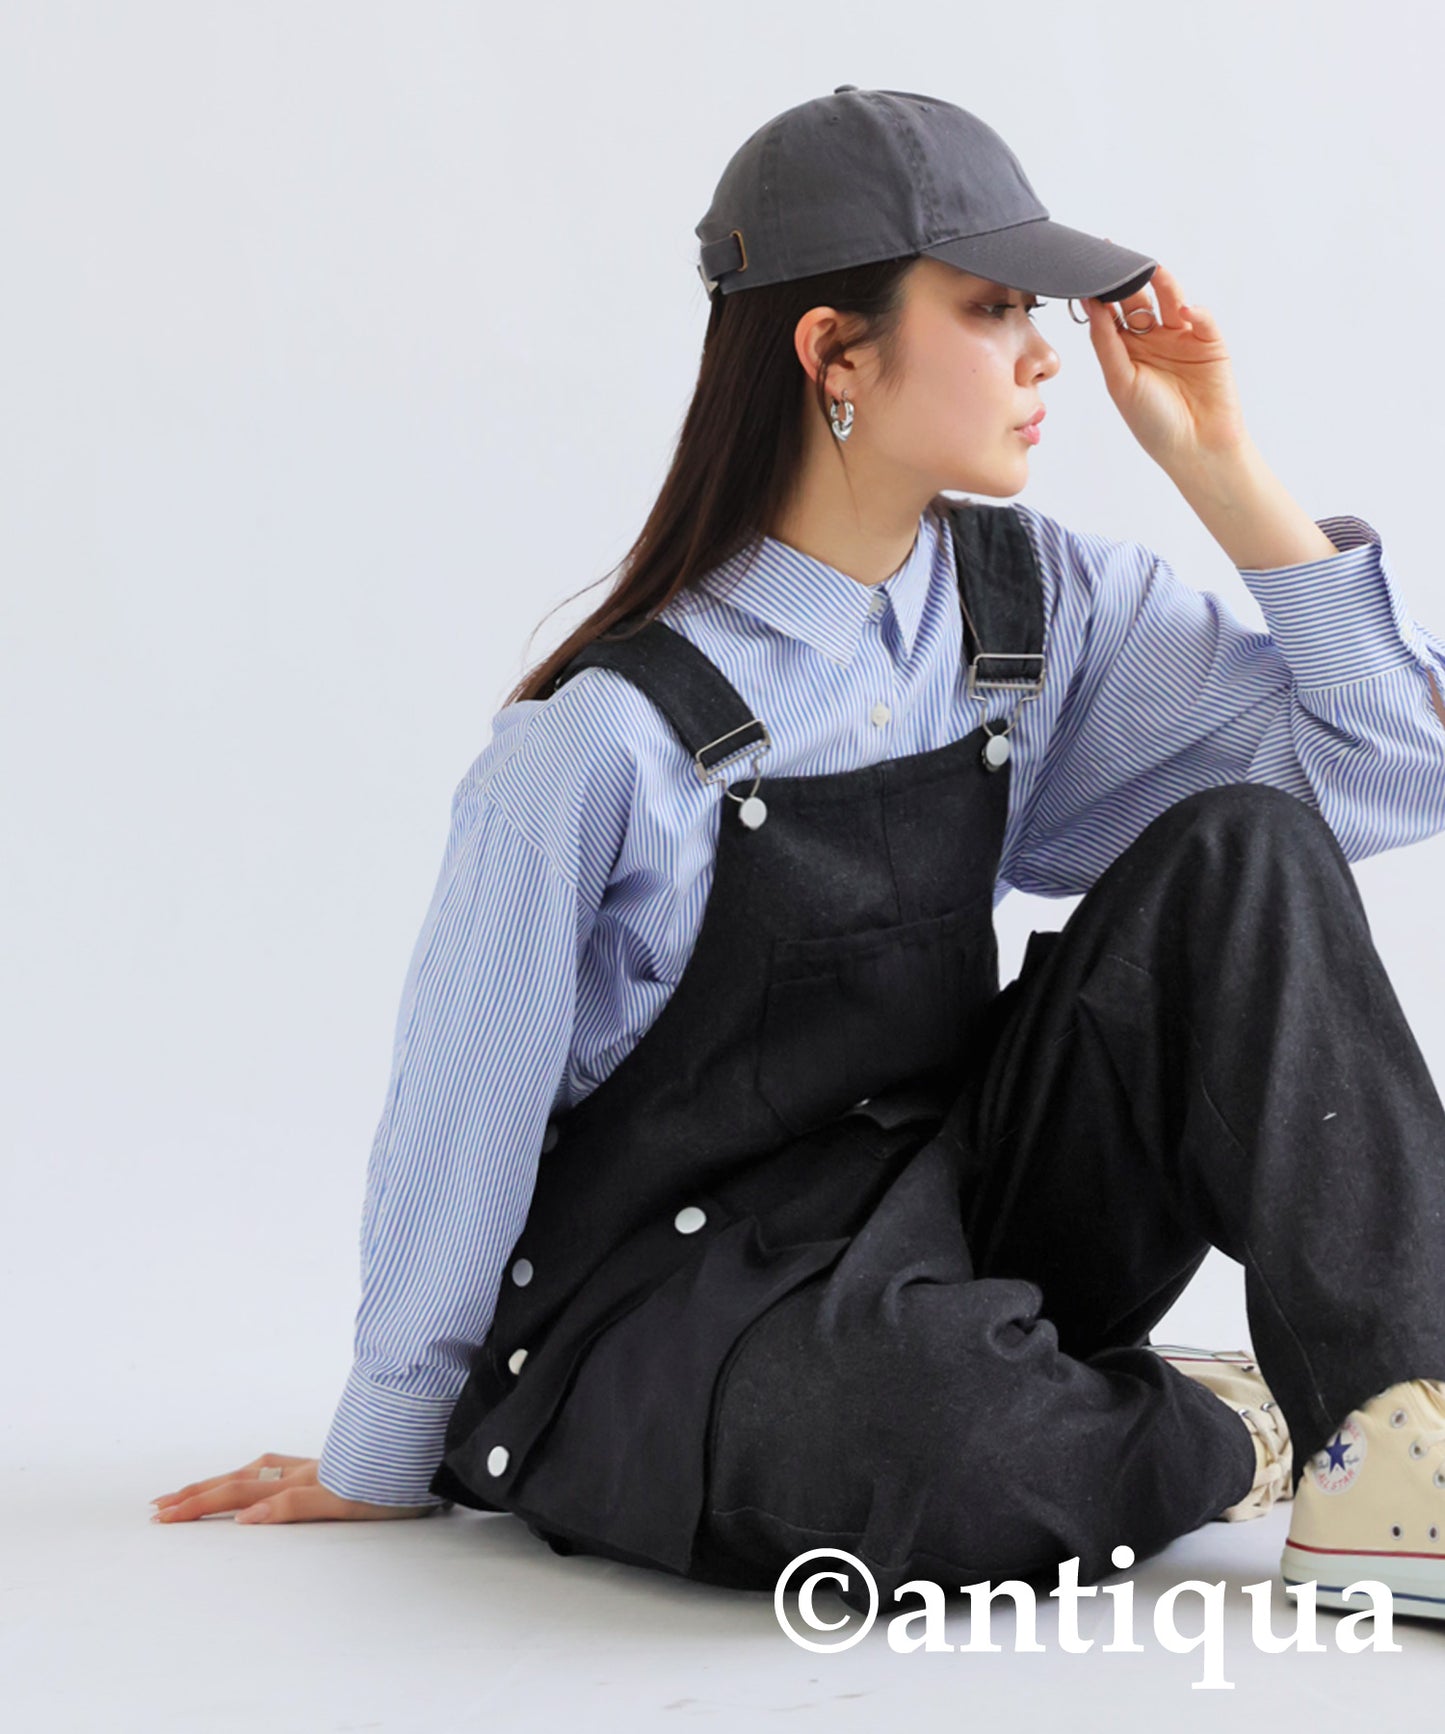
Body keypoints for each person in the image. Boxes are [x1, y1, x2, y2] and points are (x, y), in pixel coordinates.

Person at [150, 88, 1445, 1624]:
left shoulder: (1034, 607)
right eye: (989, 308)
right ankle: (1223, 1428)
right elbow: (461, 1113)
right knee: (922, 1437)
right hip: (680, 1311)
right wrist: (385, 1448)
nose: (1041, 355)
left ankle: (1401, 1443)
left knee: (1246, 851)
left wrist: (1219, 463)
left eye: (1028, 312)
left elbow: (1388, 764)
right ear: (834, 352)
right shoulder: (600, 741)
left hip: (946, 1217)